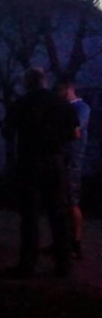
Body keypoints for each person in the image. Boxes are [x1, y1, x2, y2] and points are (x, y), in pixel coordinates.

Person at [3, 67, 79, 278]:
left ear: (27, 83)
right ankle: (63, 264)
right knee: (58, 213)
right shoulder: (61, 103)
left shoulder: (21, 103)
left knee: (29, 215)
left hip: (29, 162)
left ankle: (28, 263)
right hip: (54, 162)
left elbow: (8, 132)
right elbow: (74, 134)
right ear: (44, 81)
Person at [55, 75, 91, 258]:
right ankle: (63, 241)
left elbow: (75, 130)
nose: (57, 94)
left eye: (59, 90)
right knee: (61, 202)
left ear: (68, 88)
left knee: (71, 201)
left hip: (72, 162)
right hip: (63, 159)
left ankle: (75, 244)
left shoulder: (81, 108)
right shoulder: (65, 108)